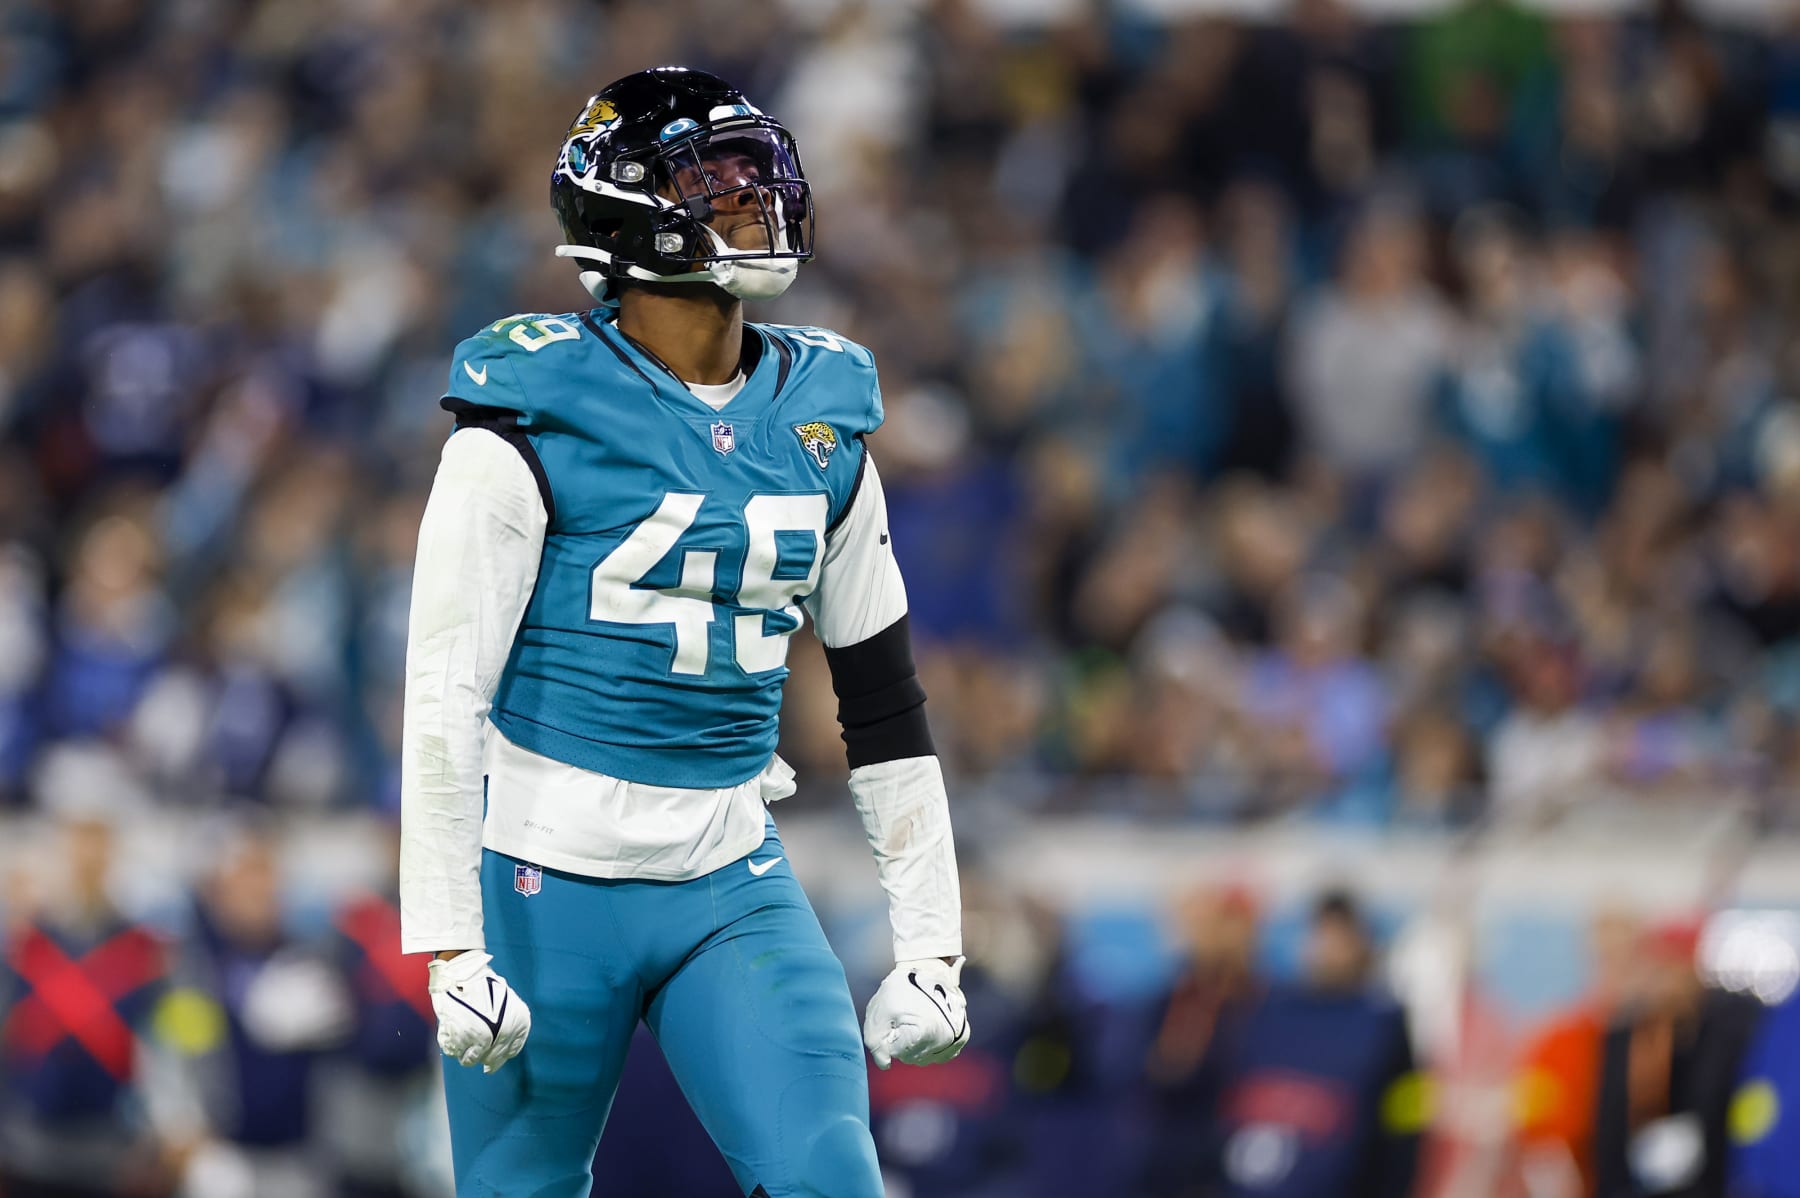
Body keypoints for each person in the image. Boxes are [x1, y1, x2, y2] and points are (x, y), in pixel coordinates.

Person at [398, 66, 969, 1198]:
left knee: (830, 1180)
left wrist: (934, 943)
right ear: (626, 212)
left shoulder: (821, 414)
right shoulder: (530, 411)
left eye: (761, 175)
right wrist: (450, 940)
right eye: (719, 182)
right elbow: (442, 693)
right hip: (541, 879)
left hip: (728, 869)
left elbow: (884, 701)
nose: (758, 202)